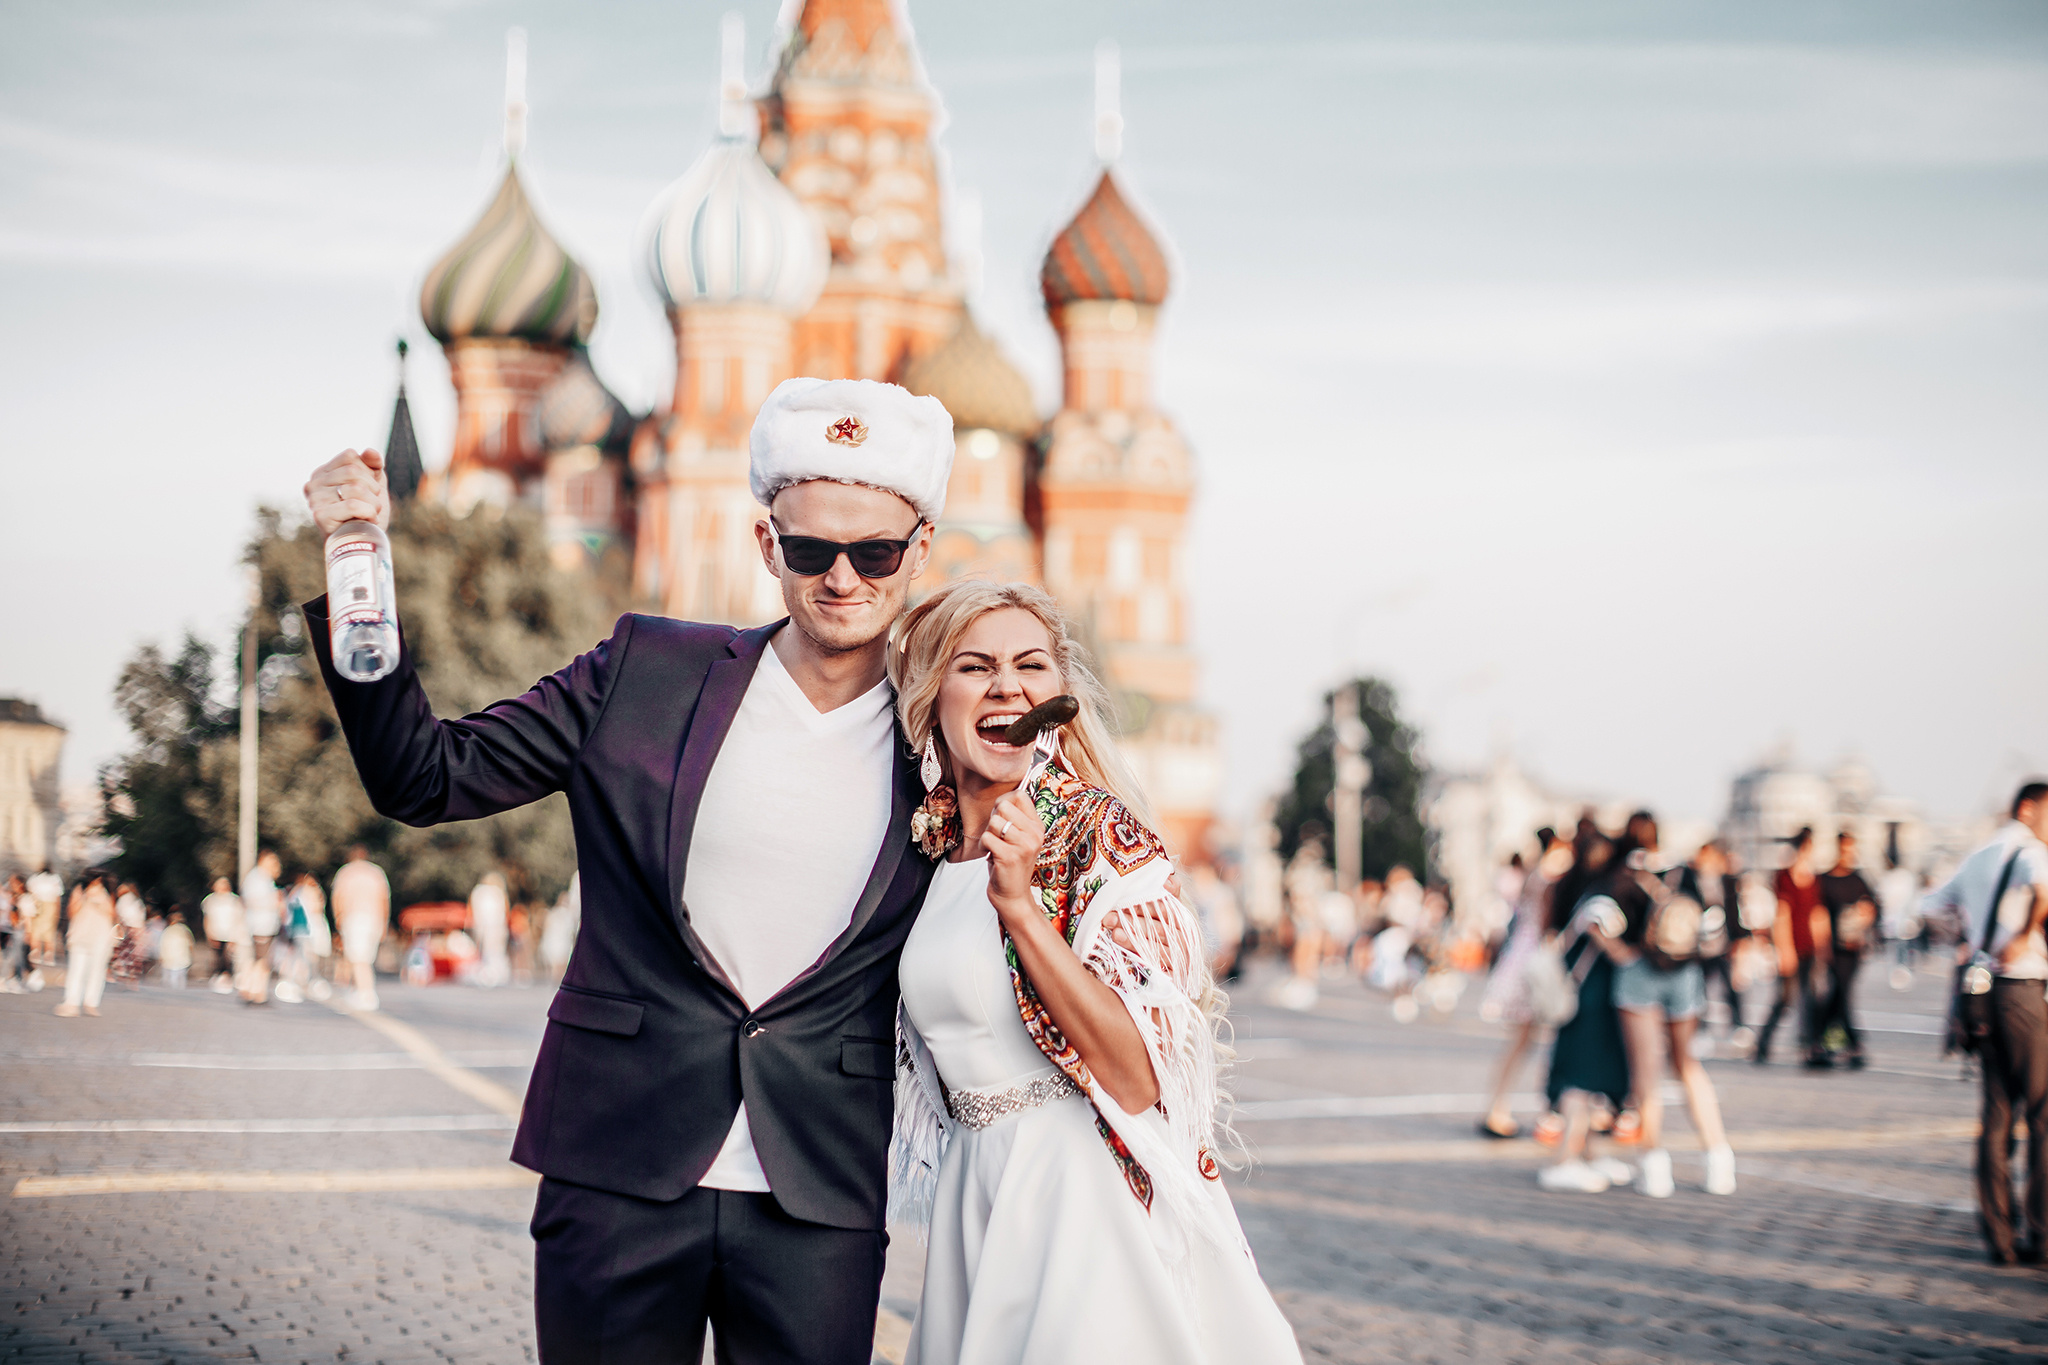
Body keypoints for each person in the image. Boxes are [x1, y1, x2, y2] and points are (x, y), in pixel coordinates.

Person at [303, 376, 955, 1364]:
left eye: (875, 553)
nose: (841, 579)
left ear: (920, 548)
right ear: (766, 543)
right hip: (616, 1165)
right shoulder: (645, 670)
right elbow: (422, 776)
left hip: (818, 1190)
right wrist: (357, 558)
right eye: (810, 550)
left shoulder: (943, 738)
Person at [887, 580, 1301, 1364]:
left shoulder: (1096, 834)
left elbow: (1138, 1077)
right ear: (933, 696)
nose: (1007, 686)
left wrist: (1020, 908)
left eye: (1030, 665)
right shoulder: (926, 849)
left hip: (1078, 1197)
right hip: (976, 1190)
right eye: (975, 666)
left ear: (1058, 695)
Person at [1923, 781, 2048, 1264]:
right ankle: (2041, 1230)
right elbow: (2043, 891)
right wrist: (2023, 934)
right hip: (2022, 987)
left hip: (1982, 994)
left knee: (1996, 1113)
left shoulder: (1978, 855)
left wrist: (1970, 937)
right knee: (2041, 1113)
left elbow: (1930, 906)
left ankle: (1999, 1233)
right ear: (2028, 808)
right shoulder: (2031, 851)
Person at [1606, 817, 1735, 1198]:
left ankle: (1654, 1166)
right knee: (1687, 1064)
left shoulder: (1624, 874)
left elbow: (1602, 920)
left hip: (1639, 973)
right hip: (1684, 972)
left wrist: (1622, 953)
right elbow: (1711, 924)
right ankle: (1718, 1157)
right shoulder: (1683, 870)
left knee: (1647, 1072)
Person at [1538, 832, 1634, 1193]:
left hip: (1581, 998)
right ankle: (1564, 1159)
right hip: (1589, 1002)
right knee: (1581, 1081)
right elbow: (1600, 932)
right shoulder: (1600, 896)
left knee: (1588, 1082)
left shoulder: (1570, 886)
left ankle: (1589, 1153)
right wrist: (1629, 957)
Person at [1479, 829, 1567, 1139]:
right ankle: (1511, 1109)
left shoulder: (1531, 872)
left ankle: (1498, 1106)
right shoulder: (1547, 876)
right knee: (1529, 1041)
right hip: (1536, 961)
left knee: (1522, 1042)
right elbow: (1546, 925)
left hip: (1521, 956)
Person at [1756, 828, 1829, 1068]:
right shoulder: (1784, 877)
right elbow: (1782, 914)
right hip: (1791, 946)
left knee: (1811, 999)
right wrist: (1784, 950)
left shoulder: (1814, 879)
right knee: (1784, 998)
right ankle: (1762, 1044)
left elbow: (1817, 914)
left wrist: (1822, 946)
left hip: (1809, 946)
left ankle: (1810, 1047)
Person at [1672, 840, 1744, 1049]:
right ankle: (1701, 1028)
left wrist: (1738, 940)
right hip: (1697, 943)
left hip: (1721, 942)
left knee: (1730, 985)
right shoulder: (1688, 876)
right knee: (1699, 988)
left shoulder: (1726, 878)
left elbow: (1733, 910)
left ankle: (1738, 1025)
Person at [1816, 831, 1878, 1068]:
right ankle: (1852, 1042)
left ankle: (1820, 1039)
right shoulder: (1825, 880)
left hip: (1853, 948)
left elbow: (1874, 906)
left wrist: (1864, 915)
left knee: (1840, 993)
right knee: (1840, 993)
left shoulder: (1858, 880)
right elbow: (1818, 913)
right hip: (1832, 947)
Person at [330, 847, 391, 1010]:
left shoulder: (346, 872)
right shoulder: (376, 873)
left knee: (358, 959)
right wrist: (384, 923)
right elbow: (384, 899)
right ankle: (360, 991)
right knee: (366, 958)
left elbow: (338, 897)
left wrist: (338, 918)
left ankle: (366, 993)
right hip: (374, 919)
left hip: (354, 918)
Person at [54, 869, 118, 1017]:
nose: (96, 883)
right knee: (76, 969)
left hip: (101, 935)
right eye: (94, 879)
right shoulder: (80, 890)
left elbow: (113, 914)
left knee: (97, 970)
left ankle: (91, 1003)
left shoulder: (108, 893)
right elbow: (71, 912)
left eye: (99, 880)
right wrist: (85, 898)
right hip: (81, 934)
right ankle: (72, 1002)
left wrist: (100, 904)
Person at [239, 849, 283, 1004]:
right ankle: (257, 991)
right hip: (261, 926)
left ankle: (252, 989)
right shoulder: (258, 878)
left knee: (259, 960)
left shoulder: (262, 878)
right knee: (262, 961)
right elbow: (252, 900)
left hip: (264, 925)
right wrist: (274, 901)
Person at [199, 876, 244, 994]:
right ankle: (218, 977)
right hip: (216, 933)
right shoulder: (210, 900)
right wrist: (208, 933)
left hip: (230, 933)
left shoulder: (234, 900)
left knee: (229, 957)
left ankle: (228, 977)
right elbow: (207, 918)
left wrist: (236, 936)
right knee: (217, 957)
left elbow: (238, 919)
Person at [468, 870, 510, 988]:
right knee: (495, 951)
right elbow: (504, 910)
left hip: (482, 926)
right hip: (495, 926)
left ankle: (487, 973)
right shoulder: (496, 892)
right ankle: (494, 973)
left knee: (484, 950)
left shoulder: (478, 891)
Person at [24, 865, 62, 985]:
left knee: (37, 928)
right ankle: (47, 954)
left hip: (39, 902)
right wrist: (57, 912)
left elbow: (30, 890)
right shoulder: (54, 878)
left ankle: (37, 951)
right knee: (48, 929)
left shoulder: (36, 878)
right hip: (49, 903)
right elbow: (58, 896)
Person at [0, 874, 26, 990]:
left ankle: (7, 980)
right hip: (7, 928)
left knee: (11, 956)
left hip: (9, 929)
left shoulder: (14, 897)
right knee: (10, 956)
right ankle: (5, 980)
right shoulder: (7, 896)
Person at [159, 911, 195, 989]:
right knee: (181, 977)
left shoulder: (167, 931)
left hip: (169, 958)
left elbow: (162, 945)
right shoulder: (185, 929)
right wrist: (191, 955)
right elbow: (190, 944)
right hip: (182, 958)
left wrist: (162, 956)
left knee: (172, 977)